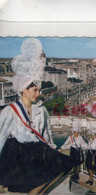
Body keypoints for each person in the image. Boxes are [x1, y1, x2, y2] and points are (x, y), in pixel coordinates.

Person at [0, 38, 73, 193]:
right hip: (17, 157)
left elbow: (46, 135)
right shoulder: (11, 111)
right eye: (35, 90)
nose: (39, 94)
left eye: (39, 90)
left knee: (66, 163)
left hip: (37, 153)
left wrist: (53, 150)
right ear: (24, 90)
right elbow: (1, 137)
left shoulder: (41, 110)